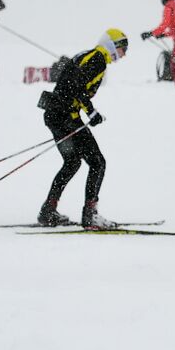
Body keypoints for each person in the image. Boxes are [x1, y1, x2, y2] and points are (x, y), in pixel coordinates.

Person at [36, 29, 129, 229]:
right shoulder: (97, 59)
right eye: (122, 48)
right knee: (97, 163)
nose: (123, 54)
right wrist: (91, 112)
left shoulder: (90, 56)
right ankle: (90, 215)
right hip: (64, 117)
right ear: (111, 45)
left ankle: (48, 211)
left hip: (56, 115)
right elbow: (75, 86)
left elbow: (73, 86)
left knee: (72, 162)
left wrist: (87, 111)